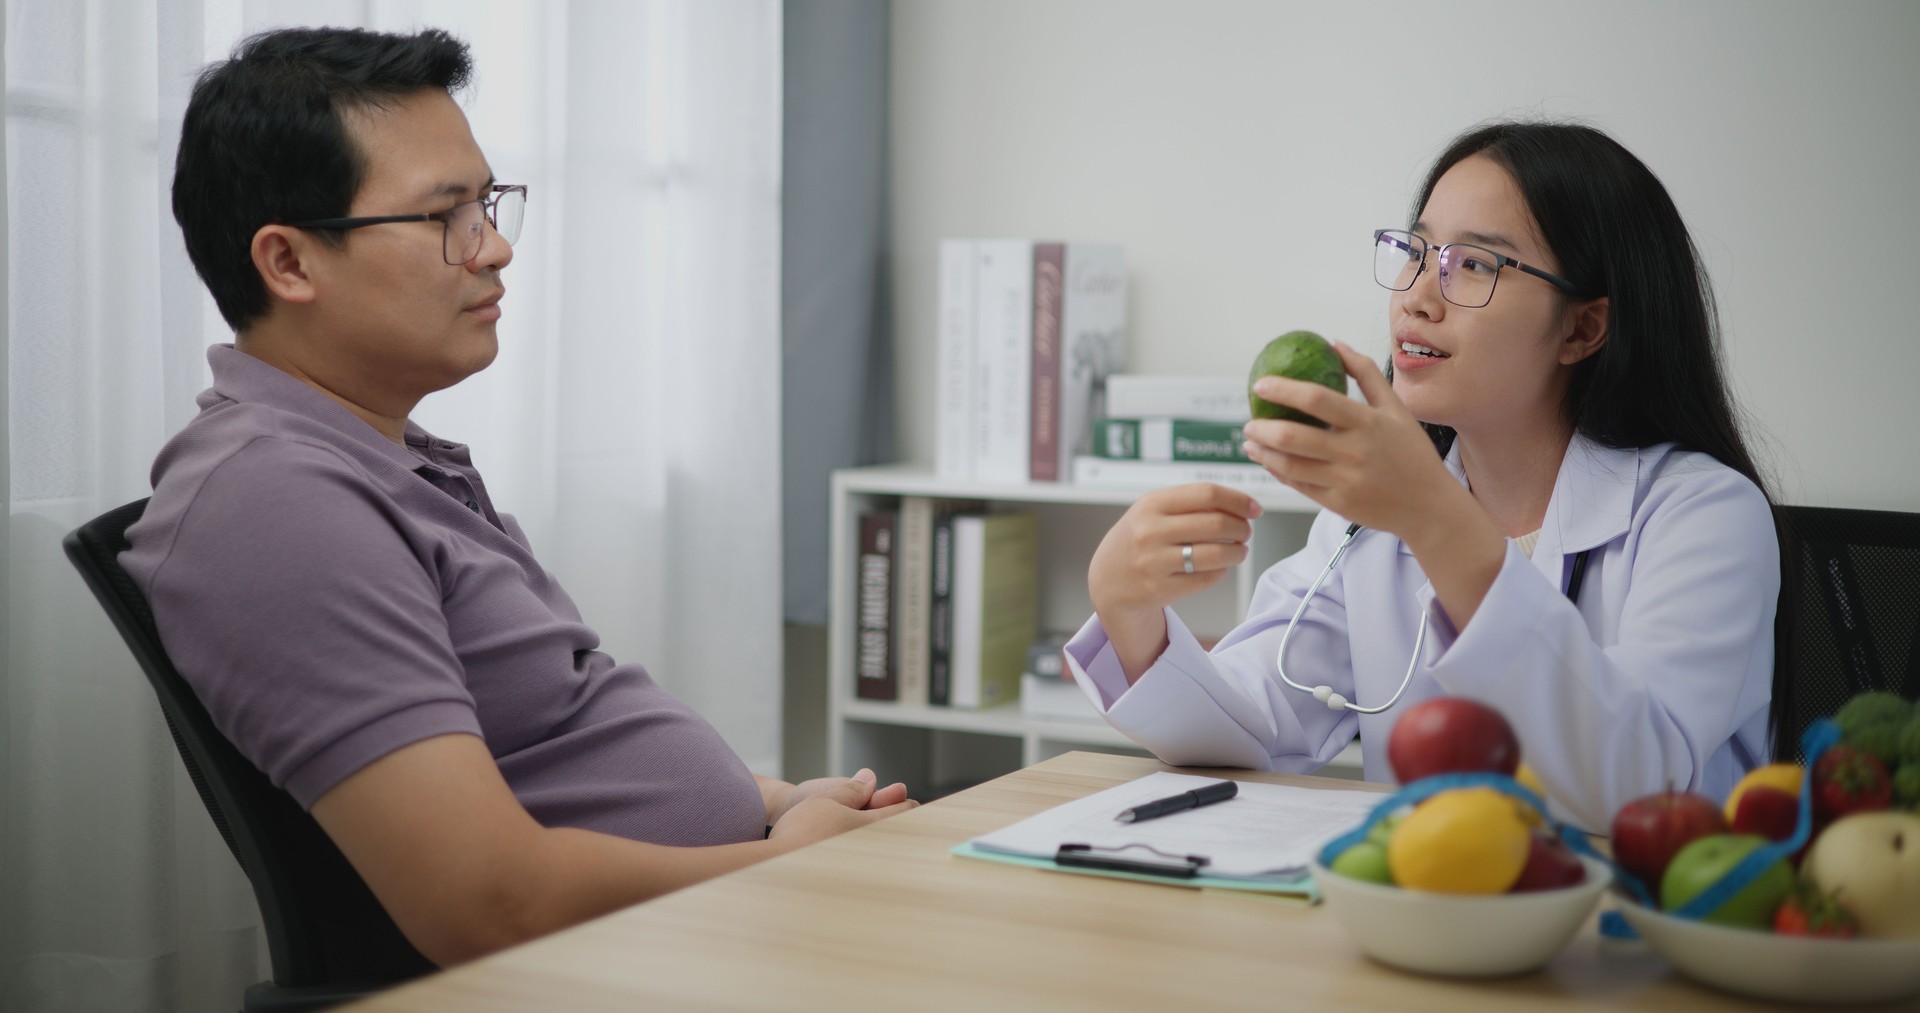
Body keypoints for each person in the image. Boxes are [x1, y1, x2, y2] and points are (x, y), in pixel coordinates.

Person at [122, 25, 914, 968]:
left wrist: (781, 802)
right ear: (289, 263)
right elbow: (487, 903)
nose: (493, 248)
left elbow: (554, 737)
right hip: (634, 963)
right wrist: (776, 867)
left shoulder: (383, 456)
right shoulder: (275, 503)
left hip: (700, 925)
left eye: (488, 204)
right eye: (444, 216)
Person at [1070, 121, 1777, 832]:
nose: (1416, 296)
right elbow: (1250, 733)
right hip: (1426, 921)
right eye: (1416, 251)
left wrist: (1434, 517)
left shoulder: (1705, 514)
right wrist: (1130, 613)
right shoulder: (1371, 520)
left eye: (1473, 265)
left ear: (1582, 329)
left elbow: (1633, 789)